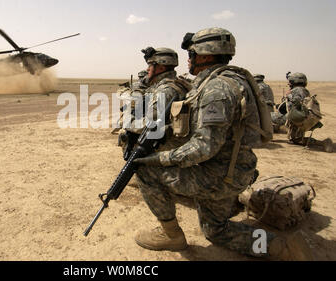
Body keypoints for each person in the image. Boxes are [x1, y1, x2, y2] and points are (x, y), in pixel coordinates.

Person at [132, 27, 313, 260]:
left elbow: (204, 146)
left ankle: (171, 235)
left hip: (219, 175)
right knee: (215, 231)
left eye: (193, 53)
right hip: (235, 167)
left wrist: (159, 159)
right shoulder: (226, 80)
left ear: (206, 55)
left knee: (146, 171)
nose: (189, 59)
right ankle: (277, 245)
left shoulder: (217, 88)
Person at [117, 47, 190, 154]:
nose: (147, 69)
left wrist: (128, 122)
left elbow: (150, 124)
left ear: (160, 68)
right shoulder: (173, 84)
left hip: (164, 150)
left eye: (150, 65)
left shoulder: (165, 91)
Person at [284, 72, 332, 152]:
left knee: (271, 117)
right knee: (295, 140)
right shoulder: (305, 90)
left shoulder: (295, 91)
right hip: (303, 117)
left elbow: (295, 103)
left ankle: (323, 143)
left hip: (297, 117)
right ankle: (322, 142)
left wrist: (288, 96)